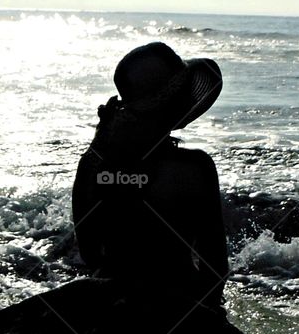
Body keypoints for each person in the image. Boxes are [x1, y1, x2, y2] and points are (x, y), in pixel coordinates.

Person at [72, 42, 227, 309]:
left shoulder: (96, 167)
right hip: (178, 303)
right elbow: (215, 267)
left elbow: (89, 253)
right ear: (177, 105)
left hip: (110, 308)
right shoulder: (196, 167)